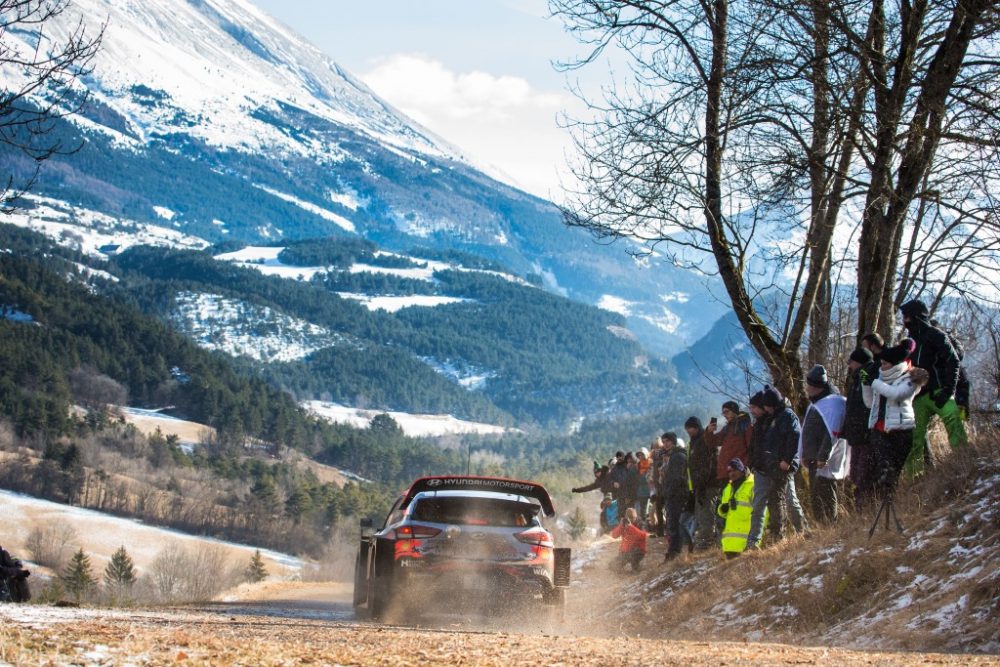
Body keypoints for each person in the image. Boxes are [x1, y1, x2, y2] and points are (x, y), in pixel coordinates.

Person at [900, 300, 967, 476]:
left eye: (907, 316)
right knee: (915, 439)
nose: (904, 320)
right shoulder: (910, 341)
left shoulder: (936, 335)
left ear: (916, 316)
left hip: (942, 391)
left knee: (955, 421)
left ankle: (966, 465)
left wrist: (948, 390)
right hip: (918, 395)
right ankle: (913, 480)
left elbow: (953, 361)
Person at [863, 339, 927, 496]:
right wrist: (866, 384)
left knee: (893, 473)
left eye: (885, 364)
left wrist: (874, 383)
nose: (882, 367)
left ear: (894, 364)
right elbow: (870, 403)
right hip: (878, 431)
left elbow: (896, 395)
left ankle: (892, 503)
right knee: (883, 470)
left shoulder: (910, 380)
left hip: (900, 432)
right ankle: (882, 502)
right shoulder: (880, 379)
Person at [746, 385, 801, 548]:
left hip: (781, 467)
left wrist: (787, 460)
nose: (752, 411)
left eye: (754, 408)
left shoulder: (782, 417)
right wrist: (753, 463)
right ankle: (754, 542)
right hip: (763, 469)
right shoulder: (761, 423)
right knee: (760, 505)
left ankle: (801, 531)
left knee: (789, 501)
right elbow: (756, 447)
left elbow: (793, 438)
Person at [799, 365, 847, 524]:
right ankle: (821, 527)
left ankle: (830, 527)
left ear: (817, 386)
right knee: (815, 495)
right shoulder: (817, 403)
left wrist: (823, 455)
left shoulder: (833, 403)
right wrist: (805, 454)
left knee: (826, 492)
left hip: (824, 457)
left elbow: (832, 431)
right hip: (813, 457)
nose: (807, 388)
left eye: (809, 386)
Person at [845, 348, 878, 510]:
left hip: (867, 436)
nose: (849, 365)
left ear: (858, 361)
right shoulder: (856, 379)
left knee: (863, 476)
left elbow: (868, 405)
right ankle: (860, 512)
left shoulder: (868, 375)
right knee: (855, 475)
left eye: (851, 361)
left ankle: (867, 511)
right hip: (857, 437)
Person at [685, 416, 719, 550]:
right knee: (700, 514)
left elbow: (708, 464)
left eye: (691, 428)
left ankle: (707, 542)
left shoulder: (703, 440)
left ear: (697, 427)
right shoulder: (692, 443)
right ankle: (704, 541)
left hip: (708, 484)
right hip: (698, 485)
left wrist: (702, 483)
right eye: (687, 428)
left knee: (706, 513)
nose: (688, 431)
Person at [659, 432, 691, 560]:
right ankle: (674, 550)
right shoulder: (672, 456)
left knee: (676, 524)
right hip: (672, 494)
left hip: (677, 494)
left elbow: (677, 478)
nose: (665, 444)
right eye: (664, 441)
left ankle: (676, 551)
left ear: (673, 441)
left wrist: (670, 492)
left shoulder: (678, 456)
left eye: (667, 441)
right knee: (673, 523)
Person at [717, 459, 757, 559]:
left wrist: (758, 536)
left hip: (745, 542)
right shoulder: (728, 488)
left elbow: (761, 512)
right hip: (729, 544)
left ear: (741, 470)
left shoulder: (752, 485)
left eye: (734, 470)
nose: (731, 474)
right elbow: (723, 513)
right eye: (729, 471)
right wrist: (723, 509)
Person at [704, 402, 752, 485]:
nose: (725, 415)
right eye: (723, 413)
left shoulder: (745, 426)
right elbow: (713, 442)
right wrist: (709, 432)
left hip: (738, 474)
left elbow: (751, 449)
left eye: (727, 412)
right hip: (725, 473)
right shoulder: (727, 428)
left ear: (734, 411)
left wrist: (744, 469)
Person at [572, 463, 612, 530]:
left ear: (601, 471)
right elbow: (589, 487)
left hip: (615, 496)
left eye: (599, 472)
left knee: (611, 513)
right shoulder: (599, 481)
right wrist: (577, 490)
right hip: (606, 498)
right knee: (603, 514)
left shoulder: (609, 475)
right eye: (596, 473)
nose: (597, 474)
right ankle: (606, 530)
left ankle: (613, 528)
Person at [609, 507, 648, 573]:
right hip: (625, 551)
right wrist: (621, 526)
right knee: (612, 566)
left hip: (638, 550)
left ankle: (636, 568)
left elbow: (642, 536)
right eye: (629, 517)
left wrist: (631, 527)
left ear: (636, 516)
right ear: (626, 517)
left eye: (633, 517)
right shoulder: (624, 524)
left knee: (634, 567)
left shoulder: (640, 523)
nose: (631, 519)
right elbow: (614, 535)